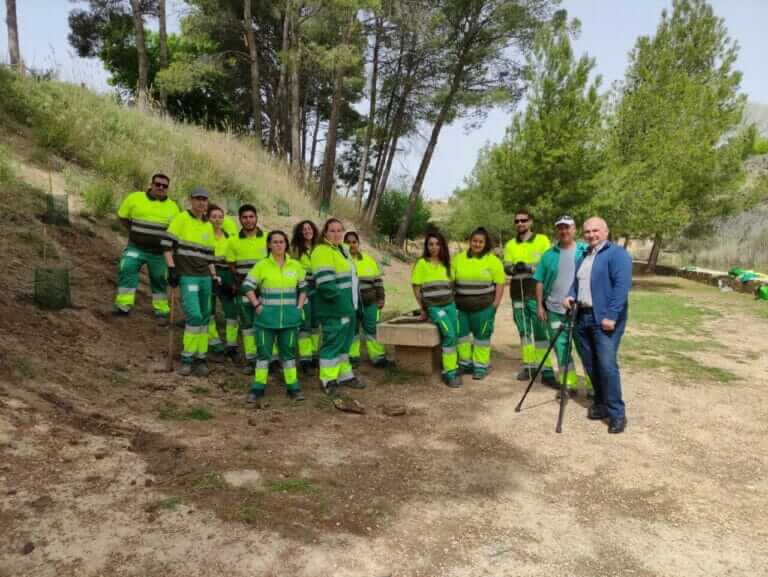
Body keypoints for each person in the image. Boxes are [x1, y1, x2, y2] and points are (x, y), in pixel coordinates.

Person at [564, 217, 632, 434]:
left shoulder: (617, 254)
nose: (591, 235)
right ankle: (601, 404)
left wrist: (612, 315)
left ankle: (617, 414)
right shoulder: (584, 255)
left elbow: (622, 287)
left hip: (604, 319)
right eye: (587, 231)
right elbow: (577, 283)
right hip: (582, 317)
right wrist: (570, 296)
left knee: (606, 365)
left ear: (605, 231)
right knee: (591, 364)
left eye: (595, 230)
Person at [242, 231, 307, 403]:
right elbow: (247, 286)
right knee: (263, 356)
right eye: (275, 242)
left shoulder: (295, 265)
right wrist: (257, 305)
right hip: (266, 320)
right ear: (269, 245)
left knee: (289, 355)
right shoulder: (261, 265)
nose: (278, 245)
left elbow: (304, 289)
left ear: (286, 244)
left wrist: (299, 307)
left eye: (282, 241)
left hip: (290, 319)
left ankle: (293, 388)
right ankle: (258, 388)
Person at [162, 187, 218, 377]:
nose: (202, 203)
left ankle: (201, 358)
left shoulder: (209, 226)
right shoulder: (181, 219)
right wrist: (171, 268)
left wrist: (214, 275)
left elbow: (210, 256)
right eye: (198, 199)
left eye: (205, 199)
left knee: (204, 317)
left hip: (205, 278)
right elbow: (167, 246)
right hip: (187, 276)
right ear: (191, 200)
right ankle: (187, 360)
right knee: (194, 315)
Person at [533, 216, 591, 396]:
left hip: (580, 311)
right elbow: (539, 281)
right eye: (560, 228)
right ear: (557, 231)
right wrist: (540, 306)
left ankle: (593, 386)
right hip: (555, 311)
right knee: (561, 349)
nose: (564, 231)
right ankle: (569, 384)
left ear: (574, 230)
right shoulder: (549, 255)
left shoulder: (585, 251)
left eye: (568, 228)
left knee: (585, 349)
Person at [113, 173, 180, 324]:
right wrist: (133, 231)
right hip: (136, 247)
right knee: (127, 268)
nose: (161, 187)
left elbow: (175, 232)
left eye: (164, 186)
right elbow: (122, 217)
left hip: (158, 253)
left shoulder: (173, 207)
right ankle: (123, 305)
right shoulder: (135, 198)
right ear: (151, 184)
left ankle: (161, 310)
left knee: (160, 279)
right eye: (158, 184)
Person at [311, 218, 365, 396]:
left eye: (339, 230)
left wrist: (353, 306)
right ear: (325, 233)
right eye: (332, 231)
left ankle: (344, 375)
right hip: (334, 308)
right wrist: (343, 305)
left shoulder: (343, 250)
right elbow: (326, 284)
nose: (336, 234)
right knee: (332, 343)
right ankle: (328, 380)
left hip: (348, 307)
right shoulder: (321, 251)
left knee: (344, 344)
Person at [503, 210, 554, 383]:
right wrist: (514, 268)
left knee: (540, 331)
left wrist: (531, 269)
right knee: (524, 332)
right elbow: (506, 267)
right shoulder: (510, 244)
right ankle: (529, 366)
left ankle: (546, 370)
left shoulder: (542, 240)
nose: (520, 224)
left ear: (530, 222)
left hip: (536, 294)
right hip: (518, 294)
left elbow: (548, 264)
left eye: (524, 220)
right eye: (517, 221)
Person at [452, 227, 505, 380]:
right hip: (461, 307)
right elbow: (451, 281)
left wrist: (495, 305)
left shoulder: (493, 261)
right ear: (470, 241)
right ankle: (465, 363)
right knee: (461, 337)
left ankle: (481, 367)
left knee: (482, 337)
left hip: (484, 307)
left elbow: (500, 284)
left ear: (485, 243)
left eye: (481, 242)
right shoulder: (458, 259)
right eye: (475, 241)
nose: (477, 244)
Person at [411, 229, 461, 387]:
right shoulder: (422, 263)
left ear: (442, 246)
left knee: (456, 334)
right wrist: (424, 309)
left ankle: (453, 366)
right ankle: (449, 373)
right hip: (434, 307)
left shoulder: (447, 264)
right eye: (430, 244)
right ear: (426, 246)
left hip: (450, 305)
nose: (434, 247)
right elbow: (416, 288)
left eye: (437, 244)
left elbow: (453, 286)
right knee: (449, 335)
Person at [225, 204, 269, 373]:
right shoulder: (233, 241)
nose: (248, 220)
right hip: (244, 290)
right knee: (248, 325)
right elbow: (231, 264)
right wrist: (240, 283)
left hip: (266, 290)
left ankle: (269, 359)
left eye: (251, 216)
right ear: (240, 219)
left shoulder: (267, 238)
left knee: (267, 324)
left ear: (256, 218)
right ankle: (251, 360)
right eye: (245, 217)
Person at [344, 231, 388, 368]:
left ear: (358, 243)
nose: (351, 245)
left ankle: (378, 357)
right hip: (350, 305)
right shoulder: (341, 261)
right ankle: (352, 357)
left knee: (373, 329)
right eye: (348, 242)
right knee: (352, 331)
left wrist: (381, 298)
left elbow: (378, 282)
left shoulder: (369, 260)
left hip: (370, 303)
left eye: (354, 242)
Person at [206, 204, 239, 363]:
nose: (217, 220)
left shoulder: (230, 237)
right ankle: (215, 343)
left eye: (220, 216)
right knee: (209, 309)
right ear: (208, 218)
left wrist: (233, 280)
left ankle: (232, 345)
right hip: (207, 274)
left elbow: (234, 260)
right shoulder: (203, 235)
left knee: (231, 311)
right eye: (214, 216)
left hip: (226, 274)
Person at [291, 220, 320, 374]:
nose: (307, 231)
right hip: (303, 289)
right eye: (304, 229)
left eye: (309, 228)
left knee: (316, 324)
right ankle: (305, 359)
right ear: (300, 233)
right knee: (305, 324)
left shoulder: (320, 248)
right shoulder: (295, 249)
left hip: (319, 289)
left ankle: (315, 355)